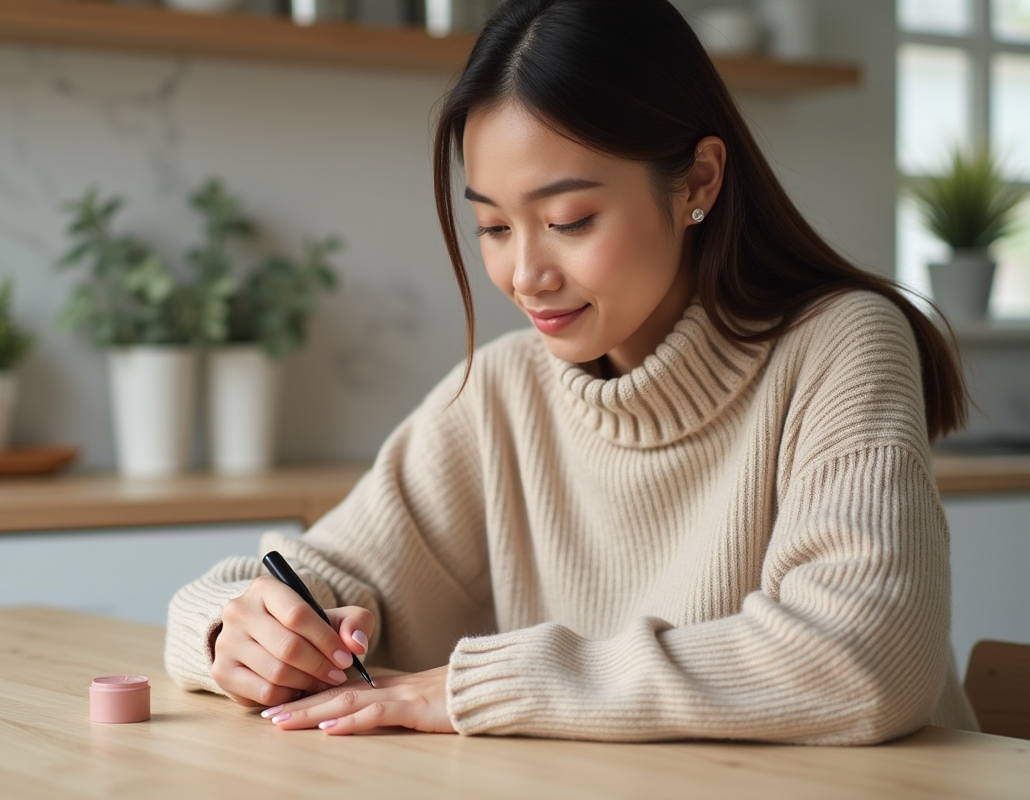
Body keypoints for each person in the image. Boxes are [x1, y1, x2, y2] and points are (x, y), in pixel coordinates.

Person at [165, 0, 980, 743]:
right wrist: (235, 634)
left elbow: (865, 661)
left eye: (569, 220)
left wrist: (488, 686)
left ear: (698, 181)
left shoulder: (842, 345)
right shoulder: (502, 392)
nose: (526, 274)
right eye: (492, 226)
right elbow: (317, 578)